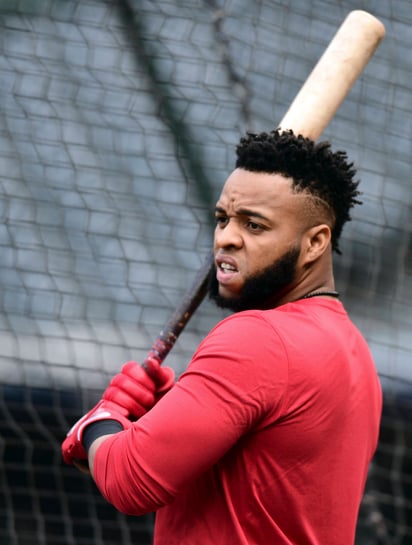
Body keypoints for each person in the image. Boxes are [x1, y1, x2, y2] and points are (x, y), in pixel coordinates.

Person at [62, 129, 382, 545]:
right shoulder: (355, 353)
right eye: (223, 218)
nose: (226, 237)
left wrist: (101, 421)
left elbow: (129, 481)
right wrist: (163, 418)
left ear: (315, 243)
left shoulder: (258, 337)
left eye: (254, 224)